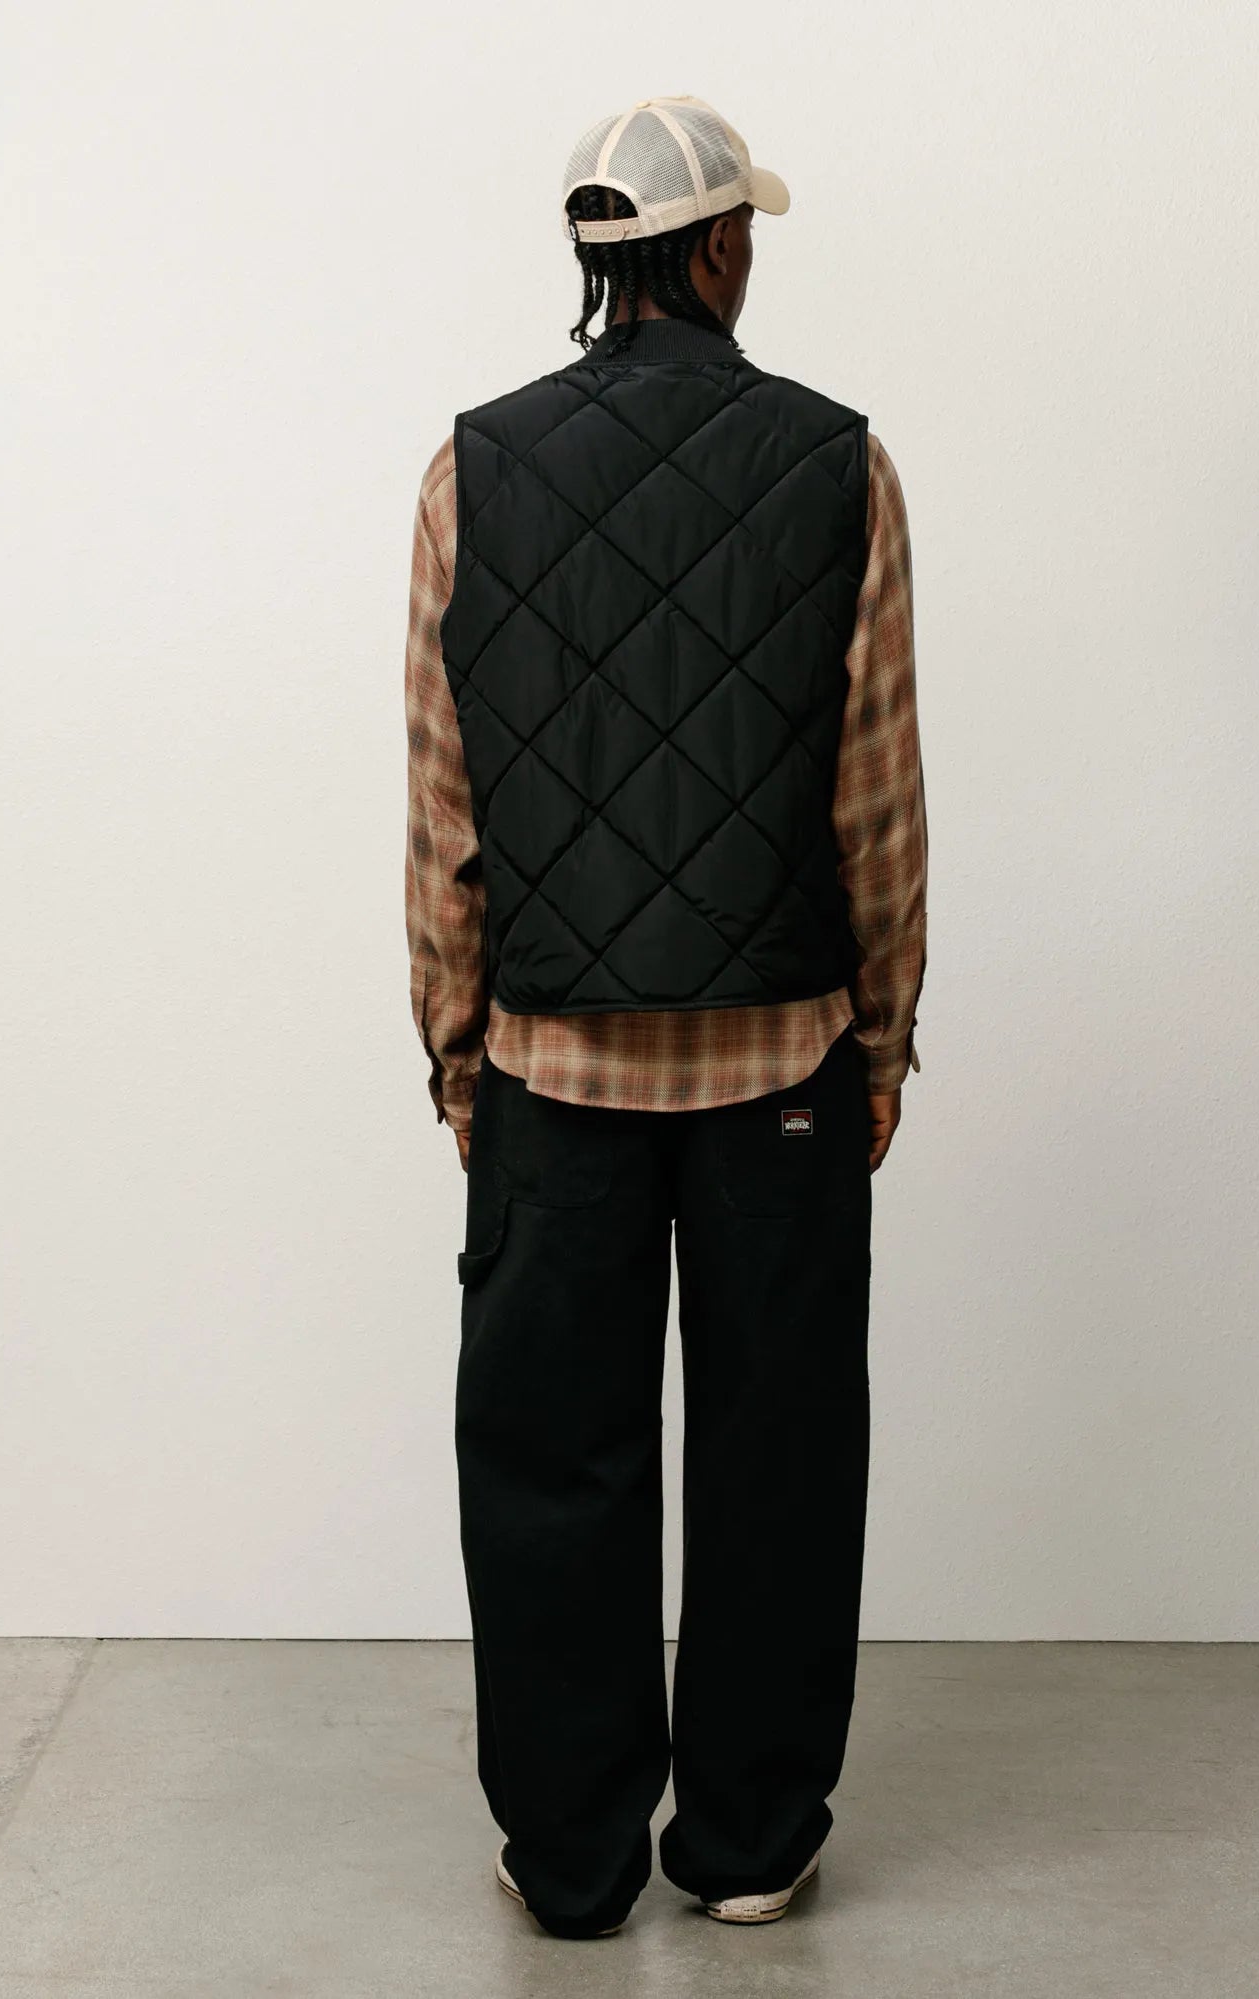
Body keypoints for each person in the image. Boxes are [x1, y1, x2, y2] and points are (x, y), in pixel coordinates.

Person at [403, 93, 927, 1941]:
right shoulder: (839, 462)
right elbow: (876, 793)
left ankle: (570, 1856)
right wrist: (886, 1033)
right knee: (780, 1452)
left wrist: (456, 1050)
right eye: (745, 231)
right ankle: (752, 1843)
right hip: (784, 1061)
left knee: (552, 1461)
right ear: (717, 251)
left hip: (549, 1063)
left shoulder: (470, 468)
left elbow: (445, 801)